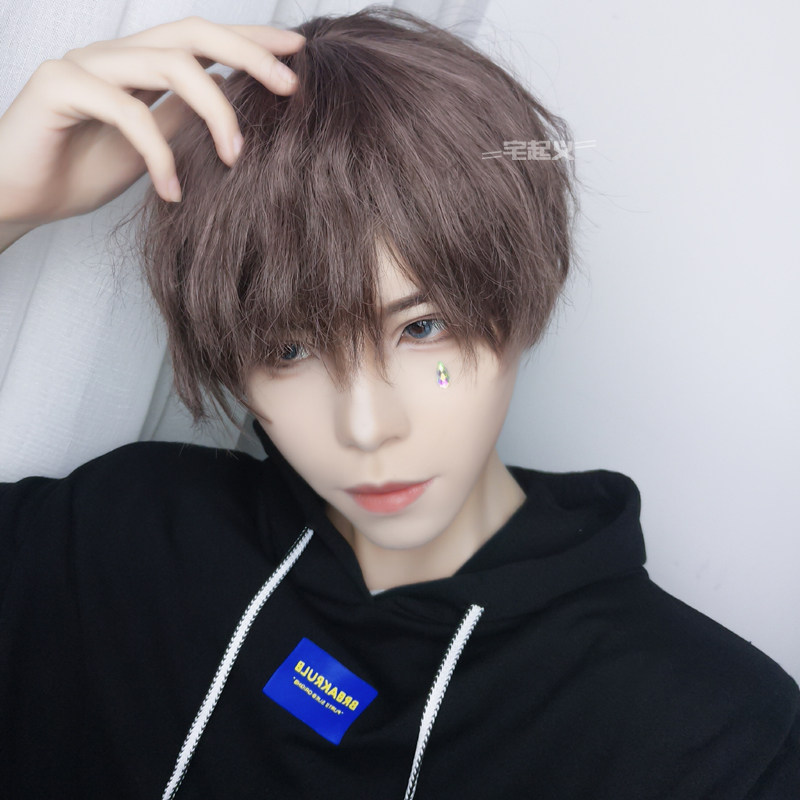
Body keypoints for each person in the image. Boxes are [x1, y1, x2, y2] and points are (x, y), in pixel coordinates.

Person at [0, 7, 798, 799]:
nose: (367, 427)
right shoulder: (130, 540)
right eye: (290, 350)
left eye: (422, 328)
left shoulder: (718, 737)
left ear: (525, 292)